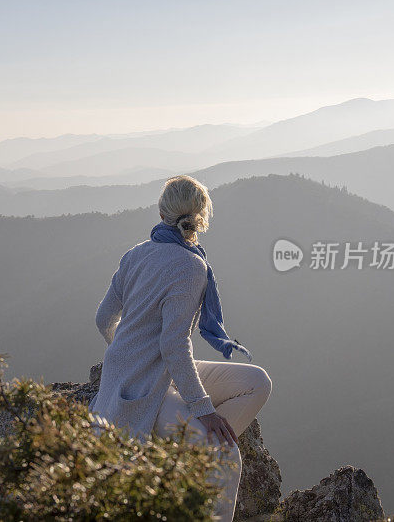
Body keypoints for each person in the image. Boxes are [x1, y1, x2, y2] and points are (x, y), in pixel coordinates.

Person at [88, 174, 273, 521]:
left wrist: (127, 352)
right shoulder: (191, 266)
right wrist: (203, 409)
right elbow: (173, 344)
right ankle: (203, 460)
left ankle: (191, 457)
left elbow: (103, 319)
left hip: (157, 374)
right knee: (227, 455)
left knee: (257, 382)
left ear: (162, 213)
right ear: (201, 217)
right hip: (145, 390)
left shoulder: (135, 255)